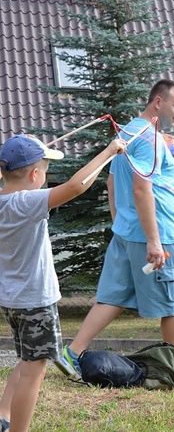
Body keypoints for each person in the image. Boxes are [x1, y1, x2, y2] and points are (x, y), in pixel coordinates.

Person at [54, 79, 174, 383]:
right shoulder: (149, 138)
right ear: (158, 103)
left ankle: (71, 354)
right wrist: (152, 239)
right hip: (158, 234)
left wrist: (121, 223)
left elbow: (111, 183)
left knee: (112, 297)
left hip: (126, 234)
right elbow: (141, 188)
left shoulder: (126, 132)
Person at [0, 134, 126, 432]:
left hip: (11, 301)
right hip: (35, 301)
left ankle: (3, 414)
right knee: (34, 372)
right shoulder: (26, 202)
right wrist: (109, 150)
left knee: (28, 360)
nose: (44, 179)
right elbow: (75, 186)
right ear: (34, 175)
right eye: (44, 172)